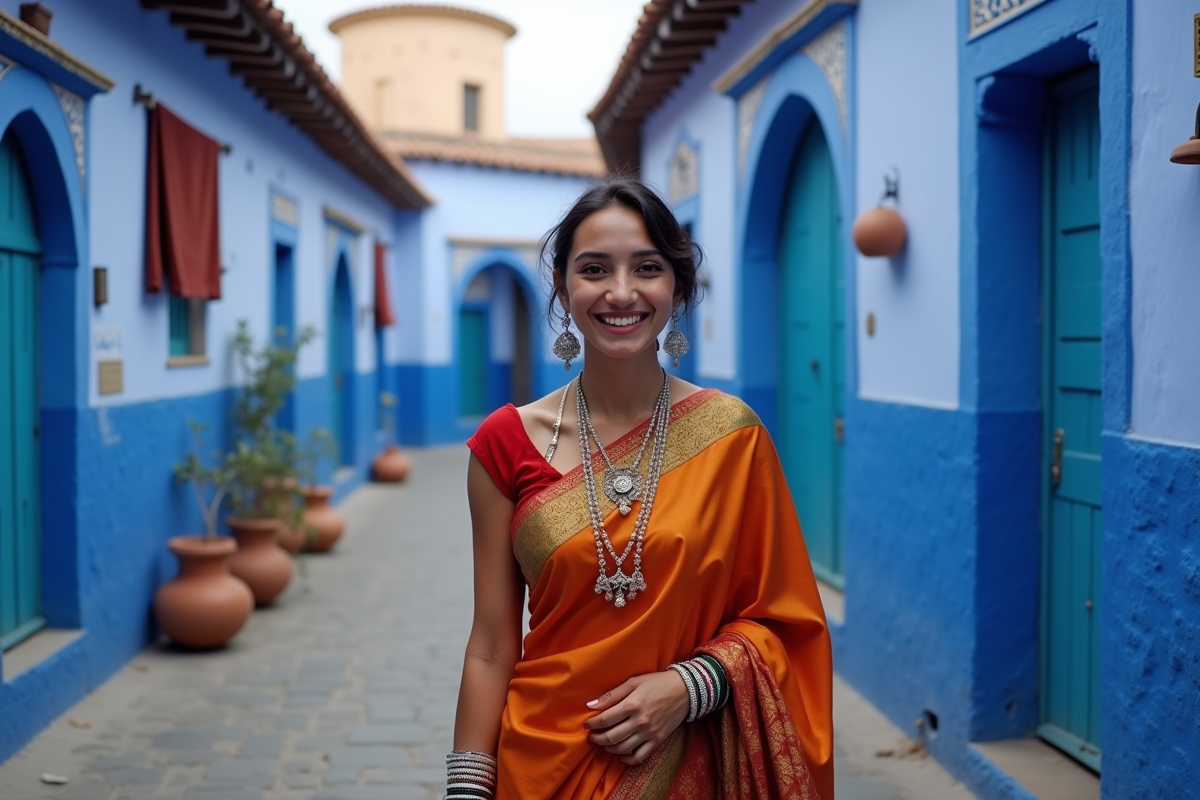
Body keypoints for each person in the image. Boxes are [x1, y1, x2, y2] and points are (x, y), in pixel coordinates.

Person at [447, 178, 834, 800]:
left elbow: (786, 621)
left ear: (677, 289)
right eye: (594, 269)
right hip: (542, 767)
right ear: (563, 288)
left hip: (689, 766)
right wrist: (465, 791)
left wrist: (690, 686)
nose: (621, 292)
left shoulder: (730, 437)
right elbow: (492, 645)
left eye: (647, 268)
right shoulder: (507, 443)